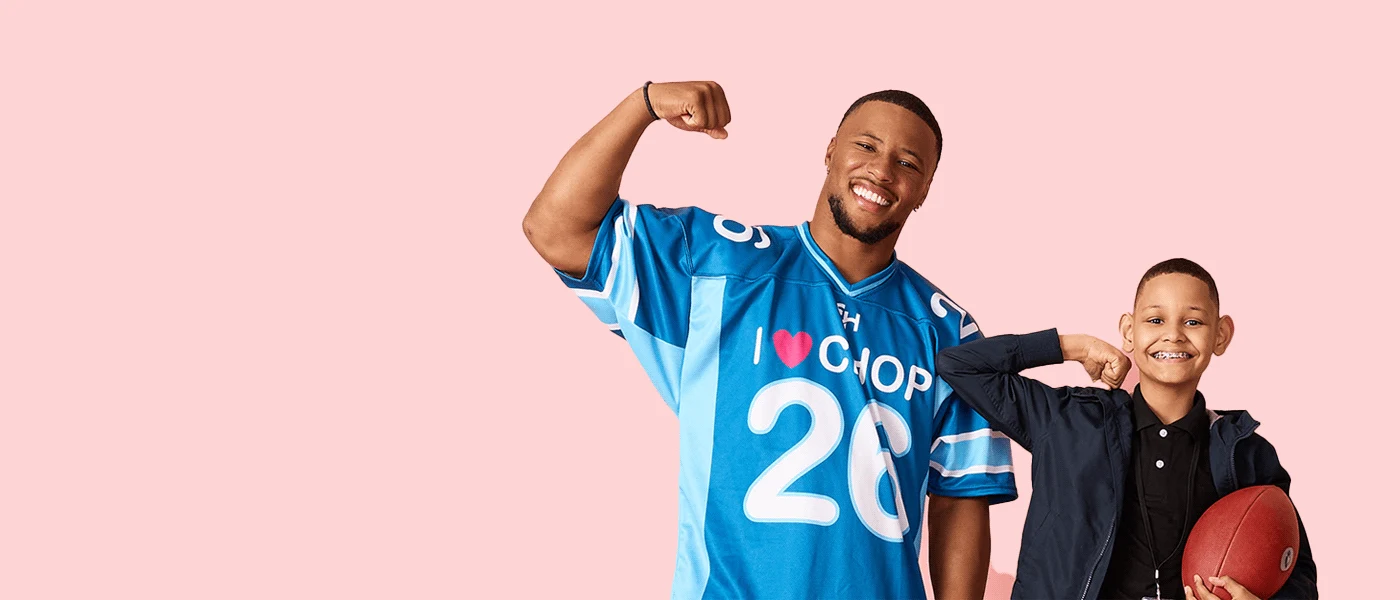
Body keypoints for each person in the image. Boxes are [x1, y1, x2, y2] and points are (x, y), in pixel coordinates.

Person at [522, 81, 1017, 599]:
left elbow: (961, 495)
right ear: (830, 151)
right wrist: (641, 105)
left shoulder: (948, 331)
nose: (882, 170)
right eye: (866, 146)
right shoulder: (722, 267)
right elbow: (555, 228)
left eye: (909, 163)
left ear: (926, 190)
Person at [935, 258, 1317, 599]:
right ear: (1128, 331)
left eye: (1194, 321)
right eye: (1155, 320)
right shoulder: (1068, 419)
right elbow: (959, 366)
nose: (1174, 334)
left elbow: (1294, 571)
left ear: (1220, 335)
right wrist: (1073, 346)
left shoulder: (1246, 452)